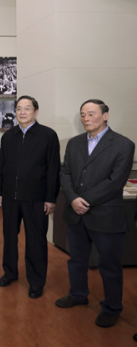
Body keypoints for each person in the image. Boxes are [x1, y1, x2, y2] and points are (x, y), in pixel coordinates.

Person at [55, 99, 135, 328]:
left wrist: (85, 200)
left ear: (106, 115)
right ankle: (78, 295)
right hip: (76, 214)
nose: (86, 118)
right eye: (83, 114)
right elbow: (66, 173)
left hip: (105, 215)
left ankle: (112, 308)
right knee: (77, 259)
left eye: (91, 114)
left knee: (109, 265)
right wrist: (72, 198)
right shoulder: (74, 143)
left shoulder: (123, 144)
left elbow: (115, 181)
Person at [0, 95, 60, 299]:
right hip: (10, 198)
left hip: (36, 198)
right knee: (9, 239)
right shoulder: (8, 136)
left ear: (36, 112)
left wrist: (51, 198)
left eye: (27, 108)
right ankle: (10, 273)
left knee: (36, 241)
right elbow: (1, 166)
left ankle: (36, 281)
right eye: (19, 108)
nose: (22, 112)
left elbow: (53, 169)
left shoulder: (48, 135)